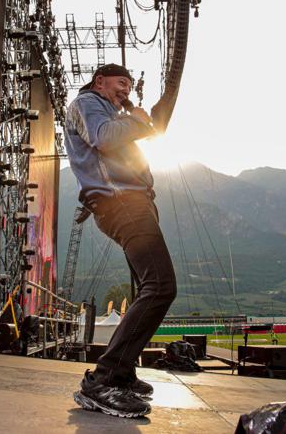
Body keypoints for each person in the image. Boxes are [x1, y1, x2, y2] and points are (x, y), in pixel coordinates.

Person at [65, 64, 177, 418]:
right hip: (121, 203)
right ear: (100, 82)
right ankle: (105, 379)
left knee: (151, 284)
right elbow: (103, 136)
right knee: (160, 286)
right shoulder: (88, 102)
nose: (125, 91)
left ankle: (122, 372)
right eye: (120, 84)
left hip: (133, 202)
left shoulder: (114, 112)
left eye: (128, 86)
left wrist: (145, 122)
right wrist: (141, 120)